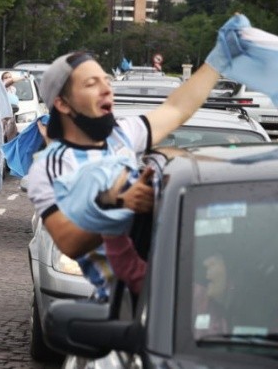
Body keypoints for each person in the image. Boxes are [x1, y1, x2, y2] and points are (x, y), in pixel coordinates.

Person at [27, 36, 229, 299]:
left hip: (177, 296)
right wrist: (118, 206)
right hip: (119, 306)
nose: (106, 89)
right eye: (91, 83)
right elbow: (69, 242)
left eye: (107, 81)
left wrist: (220, 58)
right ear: (62, 103)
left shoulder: (122, 134)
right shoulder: (48, 167)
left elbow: (178, 108)